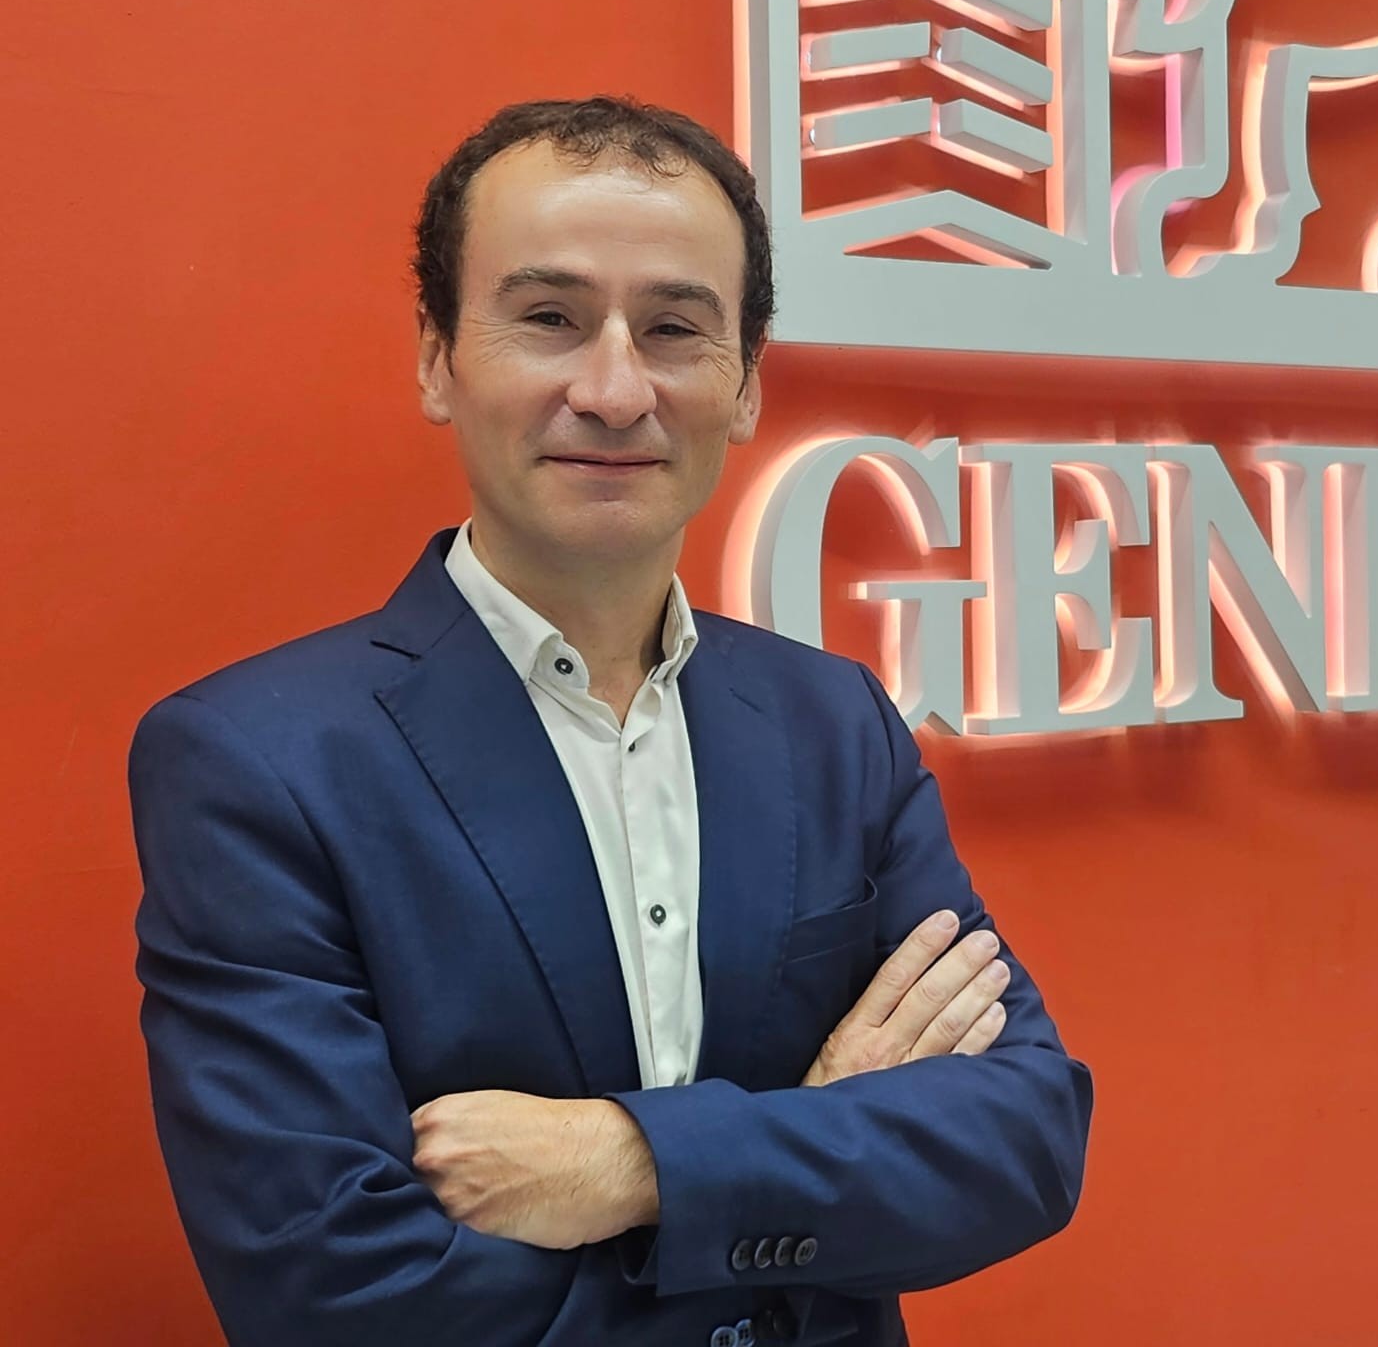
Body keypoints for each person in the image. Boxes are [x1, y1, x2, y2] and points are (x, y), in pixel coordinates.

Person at [127, 96, 1092, 1347]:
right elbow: (333, 1291)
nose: (616, 389)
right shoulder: (257, 763)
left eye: (676, 329)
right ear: (436, 358)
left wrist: (631, 1163)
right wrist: (808, 1150)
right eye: (549, 319)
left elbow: (1021, 1141)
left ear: (745, 384)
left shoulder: (832, 722)